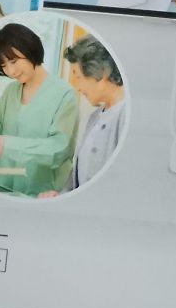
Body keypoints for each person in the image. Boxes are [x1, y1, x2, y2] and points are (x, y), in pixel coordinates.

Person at [0, 23, 78, 197]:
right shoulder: (11, 91)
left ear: (31, 50)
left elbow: (58, 150)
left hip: (38, 193)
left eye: (13, 61)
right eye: (4, 65)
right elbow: (1, 138)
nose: (11, 71)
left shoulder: (64, 95)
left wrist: (6, 144)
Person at [37, 35, 125, 198]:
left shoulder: (125, 117)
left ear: (102, 72)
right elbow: (77, 180)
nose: (76, 86)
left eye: (78, 77)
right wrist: (61, 196)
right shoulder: (95, 117)